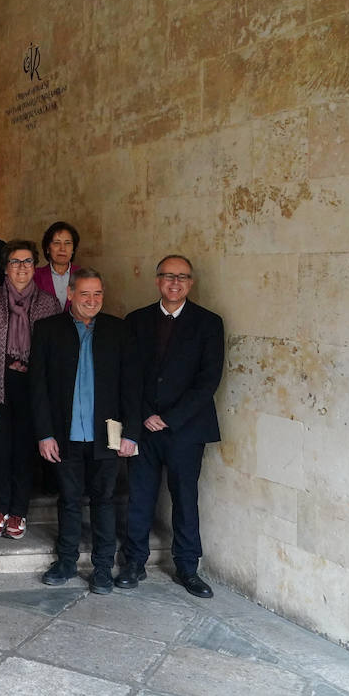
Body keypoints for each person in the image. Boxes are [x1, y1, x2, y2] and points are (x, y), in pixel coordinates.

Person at [119, 255, 224, 599]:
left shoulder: (209, 323)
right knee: (140, 497)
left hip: (186, 430)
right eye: (168, 276)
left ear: (191, 283)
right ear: (157, 280)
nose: (174, 283)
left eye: (182, 277)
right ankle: (134, 562)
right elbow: (128, 375)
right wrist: (146, 414)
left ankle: (187, 567)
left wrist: (171, 418)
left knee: (185, 497)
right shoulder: (135, 321)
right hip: (144, 429)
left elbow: (208, 381)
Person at [29, 269, 140, 595]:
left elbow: (132, 386)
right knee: (69, 500)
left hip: (107, 435)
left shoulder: (119, 330)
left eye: (97, 295)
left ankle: (103, 568)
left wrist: (131, 434)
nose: (91, 301)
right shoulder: (48, 329)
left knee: (105, 501)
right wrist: (44, 433)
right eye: (85, 294)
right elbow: (38, 387)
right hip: (64, 435)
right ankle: (66, 562)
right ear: (71, 295)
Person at [0, 240, 62, 541]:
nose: (22, 268)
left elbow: (54, 350)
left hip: (33, 385)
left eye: (28, 262)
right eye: (15, 261)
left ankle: (18, 511)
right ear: (5, 267)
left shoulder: (49, 303)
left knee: (25, 450)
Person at [34, 221, 80, 311]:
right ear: (47, 248)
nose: (62, 249)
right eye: (56, 243)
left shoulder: (83, 275)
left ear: (73, 249)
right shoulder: (35, 276)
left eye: (67, 243)